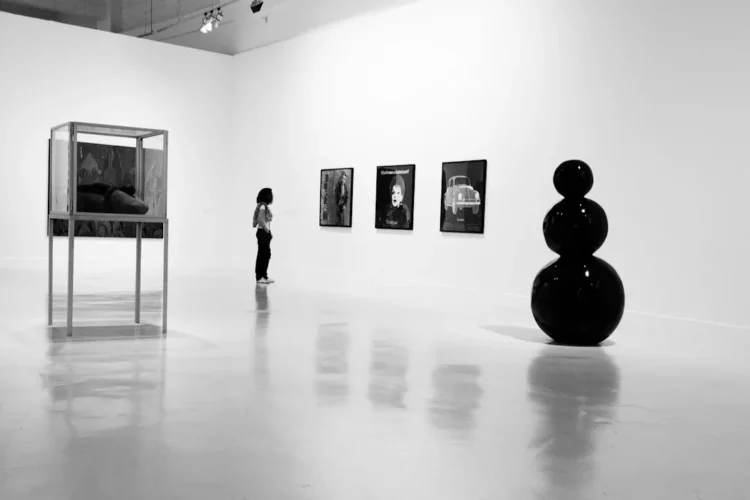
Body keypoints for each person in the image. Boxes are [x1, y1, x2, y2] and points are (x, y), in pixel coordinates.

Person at [253, 188, 274, 284]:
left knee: (266, 255)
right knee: (262, 255)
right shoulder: (262, 206)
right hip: (262, 233)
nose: (272, 197)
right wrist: (267, 231)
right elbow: (261, 221)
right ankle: (260, 277)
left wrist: (269, 232)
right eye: (271, 195)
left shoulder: (264, 206)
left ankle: (264, 276)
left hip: (264, 233)